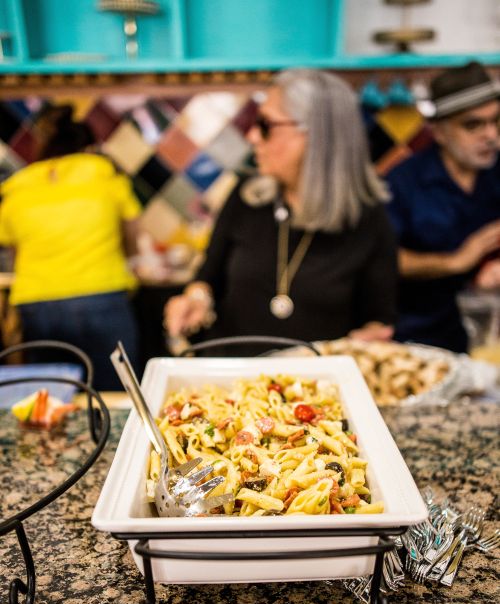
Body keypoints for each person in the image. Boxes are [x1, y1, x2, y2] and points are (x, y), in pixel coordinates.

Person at [164, 68, 398, 354]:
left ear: (317, 136)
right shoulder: (247, 196)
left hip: (311, 390)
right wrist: (196, 300)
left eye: (265, 125)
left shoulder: (368, 219)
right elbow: (207, 277)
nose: (252, 136)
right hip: (231, 382)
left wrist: (370, 340)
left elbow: (379, 318)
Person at [0, 104, 141, 389]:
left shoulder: (17, 186)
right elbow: (133, 239)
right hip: (102, 296)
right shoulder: (105, 173)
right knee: (118, 394)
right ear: (88, 147)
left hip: (37, 304)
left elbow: (14, 251)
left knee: (53, 396)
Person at [385, 61, 500, 353]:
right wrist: (457, 261)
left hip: (490, 340)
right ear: (439, 132)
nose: (490, 135)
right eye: (473, 125)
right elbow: (382, 260)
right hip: (421, 341)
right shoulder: (402, 183)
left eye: (496, 121)